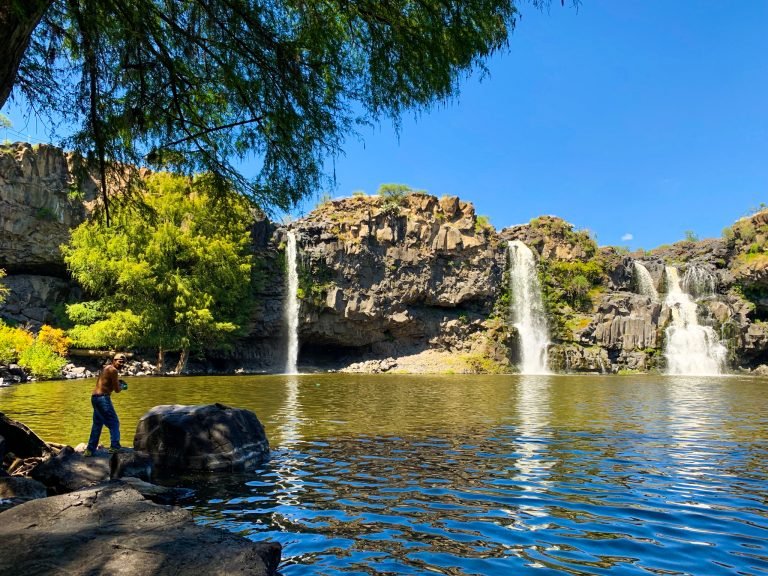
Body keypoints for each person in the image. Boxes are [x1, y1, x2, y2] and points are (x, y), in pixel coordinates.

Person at [83, 352, 128, 456]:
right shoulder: (113, 370)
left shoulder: (106, 368)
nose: (121, 364)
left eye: (123, 363)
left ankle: (89, 450)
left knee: (97, 424)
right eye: (119, 362)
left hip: (95, 398)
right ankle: (115, 447)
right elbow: (117, 390)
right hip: (103, 399)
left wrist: (117, 384)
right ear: (114, 361)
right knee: (114, 422)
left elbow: (106, 384)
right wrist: (122, 386)